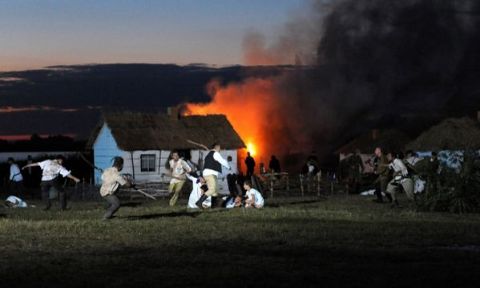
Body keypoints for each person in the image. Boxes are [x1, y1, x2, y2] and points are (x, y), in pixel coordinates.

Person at [196, 143, 231, 208]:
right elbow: (222, 161)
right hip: (210, 174)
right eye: (219, 148)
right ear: (217, 147)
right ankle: (199, 202)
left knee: (215, 191)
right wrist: (228, 167)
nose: (220, 149)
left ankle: (213, 206)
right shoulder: (216, 153)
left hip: (207, 174)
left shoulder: (209, 154)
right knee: (212, 190)